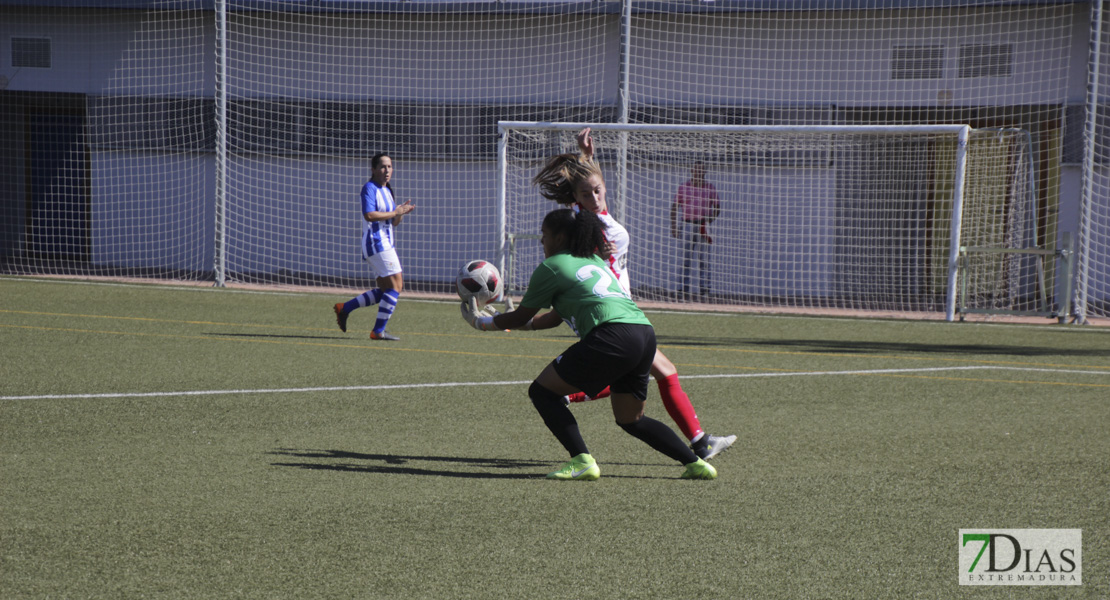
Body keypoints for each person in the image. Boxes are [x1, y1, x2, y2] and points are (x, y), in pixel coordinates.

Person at [461, 208, 718, 480]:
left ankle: (582, 461)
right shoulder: (593, 260)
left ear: (559, 238)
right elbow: (551, 319)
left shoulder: (553, 266)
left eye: (544, 235)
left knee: (542, 392)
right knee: (631, 419)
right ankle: (695, 464)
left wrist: (483, 323)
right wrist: (514, 321)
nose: (541, 241)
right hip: (644, 334)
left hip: (611, 335)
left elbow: (523, 314)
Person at [528, 128, 736, 462]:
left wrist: (586, 157)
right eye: (586, 194)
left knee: (659, 372)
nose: (594, 197)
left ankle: (699, 441)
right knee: (654, 374)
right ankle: (698, 443)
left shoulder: (591, 216)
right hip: (614, 317)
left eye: (597, 190)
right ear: (576, 199)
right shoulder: (593, 228)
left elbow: (588, 183)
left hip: (622, 315)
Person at [333, 152, 415, 341]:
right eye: (383, 167)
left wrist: (400, 212)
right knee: (397, 286)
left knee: (387, 291)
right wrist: (395, 211)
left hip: (385, 243)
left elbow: (393, 223)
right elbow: (369, 215)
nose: (387, 170)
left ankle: (345, 308)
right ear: (374, 169)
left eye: (390, 166)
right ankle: (378, 331)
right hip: (376, 243)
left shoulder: (387, 190)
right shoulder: (369, 188)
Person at [670, 161, 720, 298]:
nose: (698, 172)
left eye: (701, 170)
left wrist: (709, 220)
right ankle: (682, 288)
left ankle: (705, 288)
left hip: (703, 225)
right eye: (696, 169)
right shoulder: (683, 187)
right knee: (684, 259)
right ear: (692, 171)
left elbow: (717, 207)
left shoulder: (710, 188)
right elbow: (674, 207)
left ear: (705, 172)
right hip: (687, 224)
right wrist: (674, 226)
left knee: (704, 259)